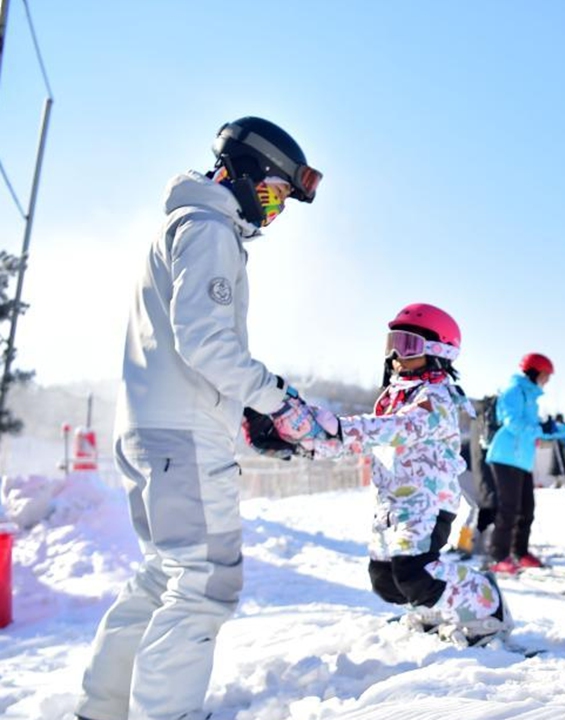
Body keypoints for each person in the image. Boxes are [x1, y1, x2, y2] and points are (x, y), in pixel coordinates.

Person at [78, 117, 335, 720]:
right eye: (272, 196)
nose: (271, 215)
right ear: (241, 174)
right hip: (183, 439)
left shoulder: (182, 223)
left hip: (152, 427)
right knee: (203, 584)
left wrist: (242, 413)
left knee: (163, 575)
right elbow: (207, 343)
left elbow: (185, 347)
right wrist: (278, 400)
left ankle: (104, 710)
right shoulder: (209, 228)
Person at [299, 303, 511, 645]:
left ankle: (487, 605)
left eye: (408, 346)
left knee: (415, 571)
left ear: (438, 353)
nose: (396, 356)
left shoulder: (436, 397)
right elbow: (367, 438)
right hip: (390, 503)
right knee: (385, 580)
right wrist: (306, 442)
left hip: (425, 499)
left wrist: (336, 427)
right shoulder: (393, 396)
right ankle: (433, 609)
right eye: (392, 343)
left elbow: (395, 429)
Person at [485, 353, 564, 574]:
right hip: (505, 456)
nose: (547, 379)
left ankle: (519, 552)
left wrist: (548, 429)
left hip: (522, 459)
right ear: (534, 372)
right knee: (509, 508)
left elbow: (530, 427)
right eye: (546, 374)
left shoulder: (531, 396)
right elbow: (512, 423)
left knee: (527, 509)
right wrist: (540, 429)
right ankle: (498, 555)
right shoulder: (514, 390)